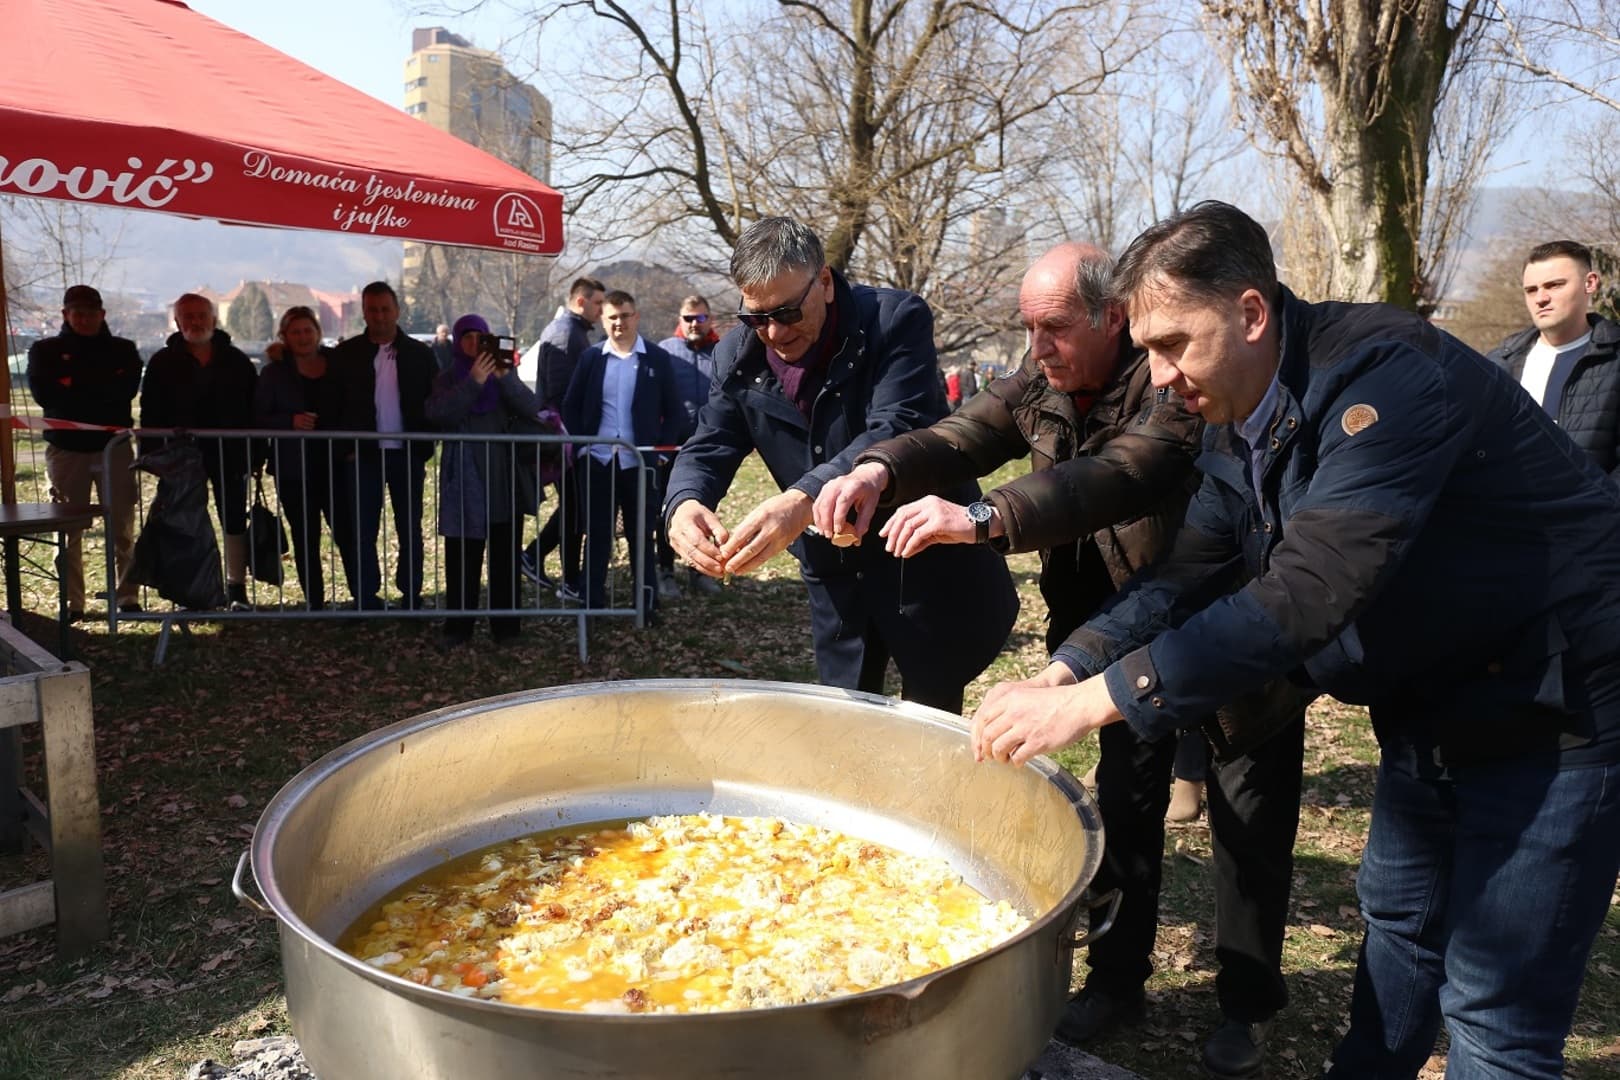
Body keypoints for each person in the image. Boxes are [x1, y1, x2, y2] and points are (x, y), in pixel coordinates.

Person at [970, 201, 1620, 1080]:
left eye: (1172, 345)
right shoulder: (1239, 409)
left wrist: (1102, 702)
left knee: (1492, 1007)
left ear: (1250, 312)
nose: (1156, 376)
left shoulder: (1386, 377)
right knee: (1396, 926)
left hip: (1557, 701)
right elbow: (1186, 572)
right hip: (1430, 696)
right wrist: (1067, 668)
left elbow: (1308, 590)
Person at [813, 241, 1302, 1072]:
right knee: (1125, 806)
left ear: (1115, 317)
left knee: (1248, 822)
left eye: (1056, 327)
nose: (1038, 347)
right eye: (1028, 328)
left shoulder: (1175, 378)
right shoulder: (1041, 379)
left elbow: (1120, 476)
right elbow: (962, 433)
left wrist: (980, 519)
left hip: (1228, 627)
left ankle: (1247, 1002)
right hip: (1104, 637)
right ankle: (1116, 978)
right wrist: (875, 467)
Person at [664, 216, 1018, 713]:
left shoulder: (895, 320)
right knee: (845, 714)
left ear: (825, 282)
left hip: (920, 555)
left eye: (787, 312)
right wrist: (685, 501)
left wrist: (801, 501)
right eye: (756, 317)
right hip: (834, 572)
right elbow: (712, 440)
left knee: (933, 711)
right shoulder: (736, 355)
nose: (773, 333)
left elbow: (898, 424)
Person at [562, 291, 684, 617]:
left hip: (639, 462)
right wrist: (582, 445)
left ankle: (645, 604)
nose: (620, 323)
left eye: (625, 316)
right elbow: (570, 406)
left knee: (640, 535)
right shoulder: (591, 358)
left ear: (636, 317)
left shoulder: (656, 358)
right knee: (598, 534)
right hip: (598, 459)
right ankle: (592, 605)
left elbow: (675, 412)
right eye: (613, 317)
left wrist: (660, 454)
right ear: (603, 319)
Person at [426, 314, 544, 647]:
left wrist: (504, 377)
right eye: (467, 336)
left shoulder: (502, 375)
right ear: (457, 340)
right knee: (461, 556)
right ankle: (458, 629)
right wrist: (473, 382)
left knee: (504, 555)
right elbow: (439, 413)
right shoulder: (448, 377)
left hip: (502, 476)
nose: (473, 343)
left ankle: (506, 630)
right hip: (464, 478)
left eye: (481, 337)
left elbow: (531, 406)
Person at [25, 284, 143, 618]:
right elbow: (46, 395)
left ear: (102, 315)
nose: (85, 319)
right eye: (78, 313)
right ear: (65, 314)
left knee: (122, 526)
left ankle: (127, 596)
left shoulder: (124, 349)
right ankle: (71, 601)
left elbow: (124, 392)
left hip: (115, 449)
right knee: (67, 529)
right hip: (66, 450)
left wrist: (73, 384)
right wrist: (98, 385)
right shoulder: (44, 351)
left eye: (91, 313)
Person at [139, 292, 258, 610]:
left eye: (201, 315)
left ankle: (236, 588)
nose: (195, 321)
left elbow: (253, 409)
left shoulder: (237, 361)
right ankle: (190, 589)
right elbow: (149, 411)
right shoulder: (162, 363)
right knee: (184, 524)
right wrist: (153, 455)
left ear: (214, 318)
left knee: (233, 519)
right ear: (177, 322)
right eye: (187, 316)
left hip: (230, 454)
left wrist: (256, 454)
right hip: (180, 458)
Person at [329, 281, 436, 610]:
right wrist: (345, 449)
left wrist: (424, 447)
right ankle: (364, 594)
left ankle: (412, 592)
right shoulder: (345, 355)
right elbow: (333, 405)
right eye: (373, 310)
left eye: (385, 309)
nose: (379, 316)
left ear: (397, 311)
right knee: (362, 529)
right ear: (364, 312)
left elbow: (434, 402)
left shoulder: (421, 355)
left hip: (407, 454)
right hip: (362, 456)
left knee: (410, 527)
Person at [1489, 239, 1620, 477]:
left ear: (1589, 283)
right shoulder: (1498, 363)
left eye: (1554, 285)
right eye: (1531, 290)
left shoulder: (1614, 359)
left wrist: (1599, 512)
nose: (1541, 298)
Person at [521, 276, 605, 598]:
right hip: (566, 439)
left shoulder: (571, 332)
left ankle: (538, 557)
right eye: (598, 303)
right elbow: (562, 393)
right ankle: (564, 576)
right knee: (575, 511)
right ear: (581, 301)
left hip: (568, 438)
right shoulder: (566, 335)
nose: (601, 310)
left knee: (575, 509)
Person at [254, 306, 340, 609]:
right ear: (285, 337)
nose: (303, 337)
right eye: (296, 332)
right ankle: (314, 600)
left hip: (336, 463)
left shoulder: (337, 364)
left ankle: (362, 594)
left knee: (347, 532)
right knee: (306, 537)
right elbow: (259, 416)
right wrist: (289, 421)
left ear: (318, 332)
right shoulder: (273, 373)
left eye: (308, 330)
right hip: (293, 467)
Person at [655, 295, 721, 596]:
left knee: (705, 510)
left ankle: (700, 571)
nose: (695, 324)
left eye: (701, 318)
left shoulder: (721, 353)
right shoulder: (665, 352)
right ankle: (666, 570)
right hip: (670, 446)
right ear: (680, 320)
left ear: (710, 319)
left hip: (709, 447)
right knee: (667, 510)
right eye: (689, 318)